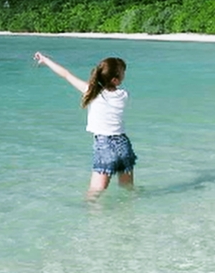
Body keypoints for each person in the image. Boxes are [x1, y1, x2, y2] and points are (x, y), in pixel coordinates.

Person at [33, 52, 137, 199]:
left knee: (95, 192)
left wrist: (45, 60)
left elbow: (66, 75)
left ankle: (92, 219)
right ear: (116, 80)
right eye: (123, 73)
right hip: (123, 144)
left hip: (104, 145)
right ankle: (128, 217)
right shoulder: (123, 94)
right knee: (127, 189)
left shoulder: (92, 92)